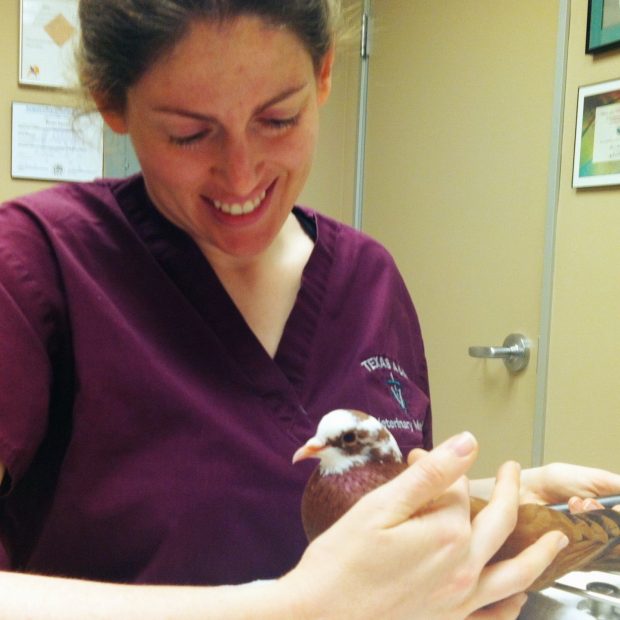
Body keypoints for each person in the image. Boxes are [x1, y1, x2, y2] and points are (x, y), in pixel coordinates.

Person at [0, 1, 619, 617]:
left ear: (323, 74)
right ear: (112, 102)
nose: (241, 177)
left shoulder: (367, 278)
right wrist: (296, 609)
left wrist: (501, 508)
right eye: (189, 133)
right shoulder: (36, 266)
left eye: (277, 119)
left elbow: (298, 507)